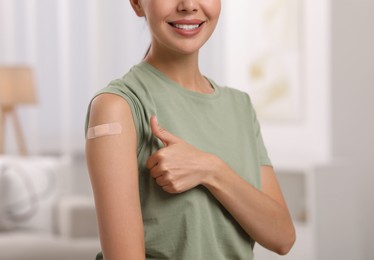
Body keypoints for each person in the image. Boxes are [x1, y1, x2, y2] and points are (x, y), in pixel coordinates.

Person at [85, 0, 296, 259]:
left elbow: (282, 238)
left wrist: (211, 170)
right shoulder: (117, 107)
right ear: (137, 4)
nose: (188, 5)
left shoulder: (240, 106)